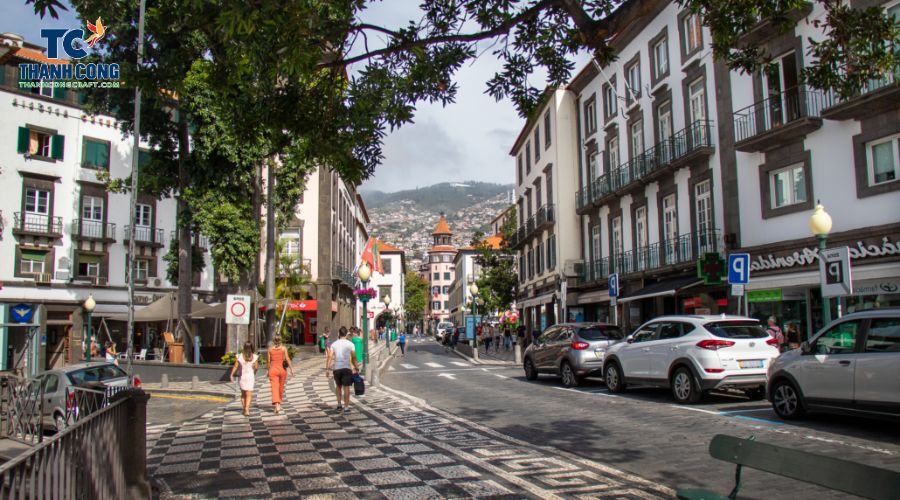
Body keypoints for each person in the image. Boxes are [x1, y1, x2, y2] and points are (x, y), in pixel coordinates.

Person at [325, 326, 359, 414]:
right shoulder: (350, 344)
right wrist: (356, 367)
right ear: (346, 334)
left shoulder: (334, 344)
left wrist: (327, 369)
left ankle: (339, 405)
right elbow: (354, 358)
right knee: (346, 387)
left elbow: (329, 356)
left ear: (339, 334)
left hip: (337, 368)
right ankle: (346, 407)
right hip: (347, 368)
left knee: (338, 386)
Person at [230, 342, 258, 417]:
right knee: (249, 394)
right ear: (252, 347)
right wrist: (254, 370)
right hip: (250, 377)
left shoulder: (239, 356)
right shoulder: (254, 357)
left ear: (244, 347)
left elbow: (235, 366)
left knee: (243, 394)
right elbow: (256, 368)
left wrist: (231, 375)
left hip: (242, 377)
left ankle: (244, 408)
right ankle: (247, 409)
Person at [267, 336, 293, 414]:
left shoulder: (270, 349)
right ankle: (279, 403)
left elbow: (268, 361)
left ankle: (277, 404)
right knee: (281, 387)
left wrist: (268, 370)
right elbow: (287, 358)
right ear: (281, 340)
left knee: (274, 387)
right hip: (282, 370)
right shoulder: (283, 348)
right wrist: (291, 369)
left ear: (273, 341)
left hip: (273, 370)